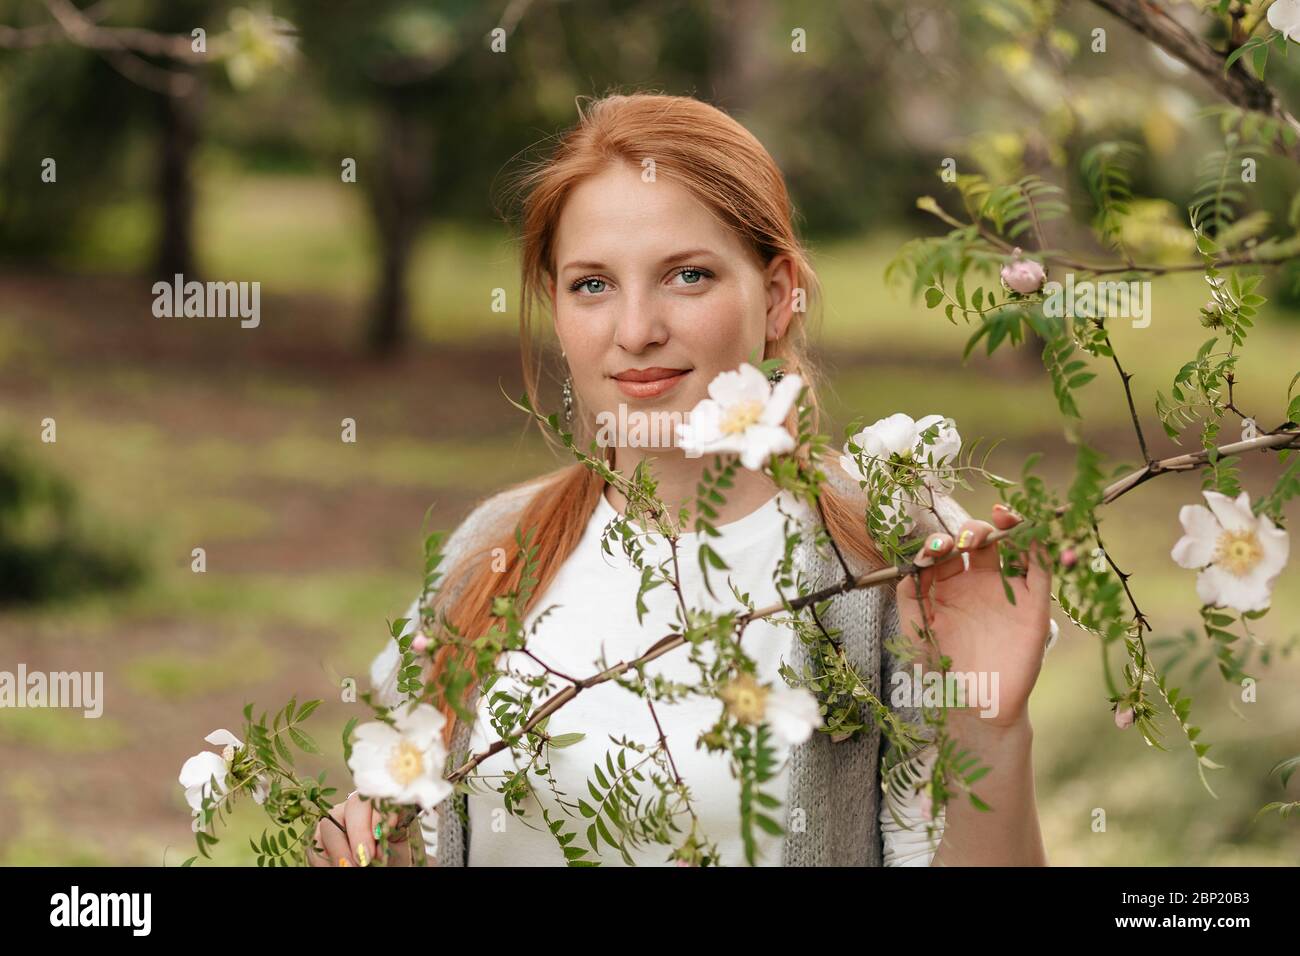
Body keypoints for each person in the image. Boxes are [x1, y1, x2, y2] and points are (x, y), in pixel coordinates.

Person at [309, 92, 1054, 868]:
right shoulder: (494, 550)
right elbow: (421, 836)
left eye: (687, 276)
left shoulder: (892, 560)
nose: (635, 331)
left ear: (774, 297)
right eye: (592, 284)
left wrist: (987, 729)